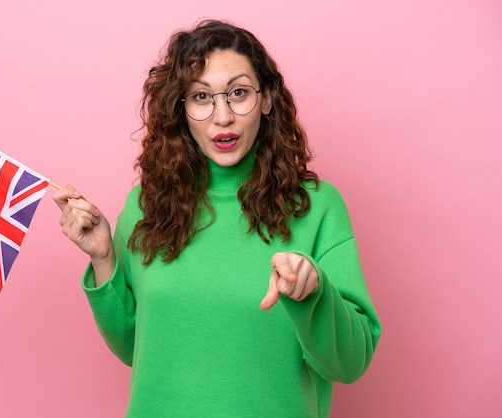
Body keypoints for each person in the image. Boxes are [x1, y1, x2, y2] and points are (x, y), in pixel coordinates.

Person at [53, 19, 381, 417]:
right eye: (201, 97)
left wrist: (314, 293)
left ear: (267, 98)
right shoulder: (145, 204)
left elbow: (350, 363)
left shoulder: (317, 207)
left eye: (238, 93)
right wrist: (104, 258)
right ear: (181, 108)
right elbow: (134, 348)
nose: (222, 116)